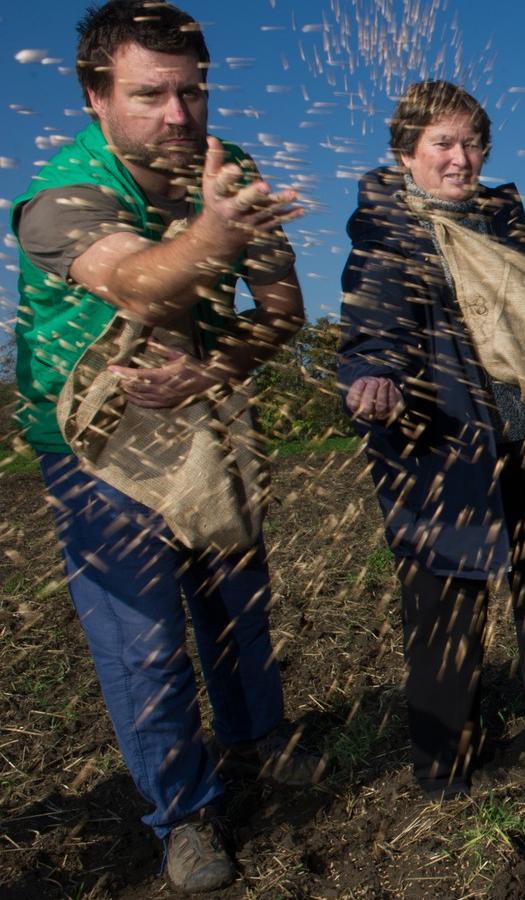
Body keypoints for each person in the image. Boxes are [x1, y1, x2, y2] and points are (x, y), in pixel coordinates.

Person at [10, 1, 318, 890]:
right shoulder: (62, 196)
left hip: (206, 420)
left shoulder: (233, 170)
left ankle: (261, 742)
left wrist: (210, 373)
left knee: (236, 605)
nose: (179, 117)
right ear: (94, 96)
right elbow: (137, 280)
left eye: (193, 93)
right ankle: (184, 815)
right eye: (151, 95)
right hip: (95, 447)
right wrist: (213, 234)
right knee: (144, 641)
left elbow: (283, 318)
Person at [338, 81, 525, 802]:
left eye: (471, 144)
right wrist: (373, 375)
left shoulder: (504, 221)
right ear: (405, 154)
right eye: (442, 144)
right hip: (442, 448)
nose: (460, 160)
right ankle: (444, 765)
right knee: (445, 611)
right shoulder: (387, 230)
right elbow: (374, 324)